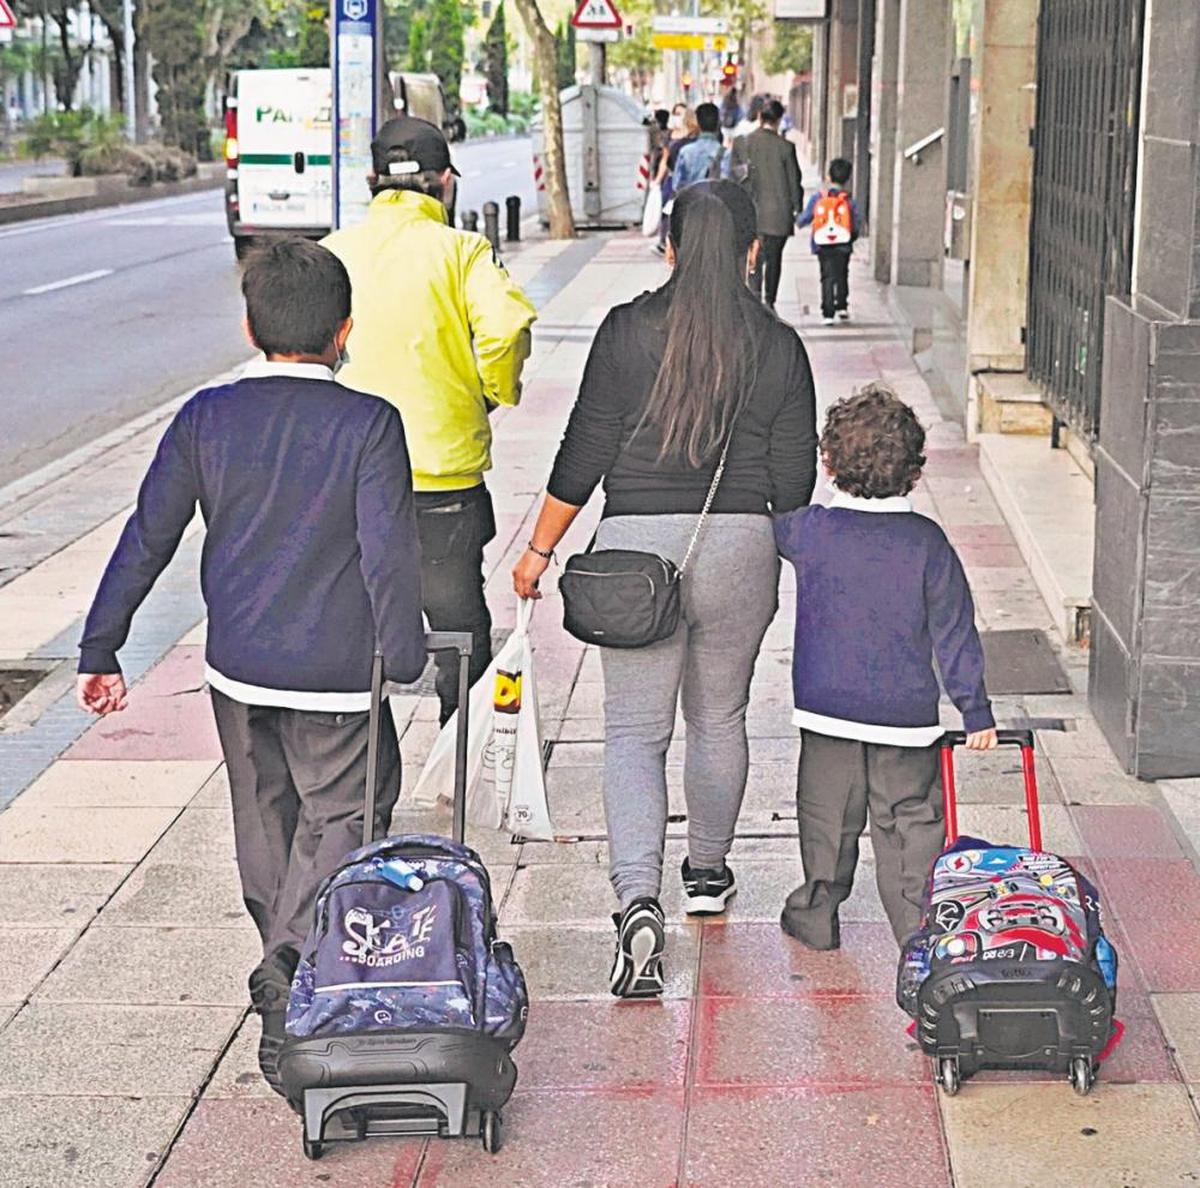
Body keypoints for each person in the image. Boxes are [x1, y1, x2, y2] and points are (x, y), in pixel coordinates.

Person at [75, 239, 428, 1092]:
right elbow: (387, 553)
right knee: (345, 816)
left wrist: (102, 644)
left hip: (239, 669)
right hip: (340, 675)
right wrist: (408, 652)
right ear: (345, 331)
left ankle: (283, 962)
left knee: (264, 821)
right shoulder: (369, 423)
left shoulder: (206, 418)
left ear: (250, 324)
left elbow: (148, 534)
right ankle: (294, 970)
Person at [512, 182, 818, 999]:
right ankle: (708, 875)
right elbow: (793, 482)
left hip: (635, 553)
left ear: (671, 245)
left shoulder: (624, 332)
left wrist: (539, 549)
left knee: (632, 733)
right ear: (753, 250)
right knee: (719, 716)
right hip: (741, 545)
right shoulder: (778, 347)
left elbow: (585, 450)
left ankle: (637, 900)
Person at [323, 116, 537, 724]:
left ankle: (362, 774)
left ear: (371, 181)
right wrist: (489, 392)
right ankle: (456, 767)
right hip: (442, 481)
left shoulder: (334, 252)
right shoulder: (463, 251)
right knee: (459, 629)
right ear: (444, 183)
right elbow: (506, 327)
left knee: (353, 628)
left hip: (349, 485)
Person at [773, 385, 998, 952]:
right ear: (916, 474)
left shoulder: (809, 531)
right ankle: (917, 930)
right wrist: (975, 711)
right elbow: (954, 631)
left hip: (827, 710)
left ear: (829, 464)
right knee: (910, 822)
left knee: (826, 818)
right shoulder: (927, 543)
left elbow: (768, 518)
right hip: (905, 717)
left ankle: (816, 915)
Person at [729, 99, 804, 310]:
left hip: (750, 214)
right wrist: (797, 208)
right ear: (779, 120)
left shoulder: (742, 143)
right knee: (774, 259)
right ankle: (770, 301)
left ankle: (754, 299)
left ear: (760, 117)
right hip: (778, 216)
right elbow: (793, 181)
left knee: (753, 259)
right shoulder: (786, 147)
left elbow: (733, 178)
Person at [797, 156, 861, 324]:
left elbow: (805, 218)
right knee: (842, 273)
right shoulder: (849, 201)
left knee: (826, 276)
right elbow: (856, 222)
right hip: (843, 244)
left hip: (822, 244)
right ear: (847, 179)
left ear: (828, 177)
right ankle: (841, 305)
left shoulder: (819, 198)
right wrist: (851, 237)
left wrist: (798, 220)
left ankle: (827, 312)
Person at [654, 107, 698, 256]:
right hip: (678, 181)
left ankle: (671, 244)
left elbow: (667, 161)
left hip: (679, 183)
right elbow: (665, 161)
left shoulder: (687, 142)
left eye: (680, 114)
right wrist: (658, 180)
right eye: (675, 114)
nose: (676, 118)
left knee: (673, 214)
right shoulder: (672, 137)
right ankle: (668, 242)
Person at [672, 103, 725, 194]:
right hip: (717, 206)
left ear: (698, 124)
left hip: (692, 204)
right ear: (718, 124)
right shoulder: (726, 154)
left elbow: (677, 185)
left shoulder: (686, 152)